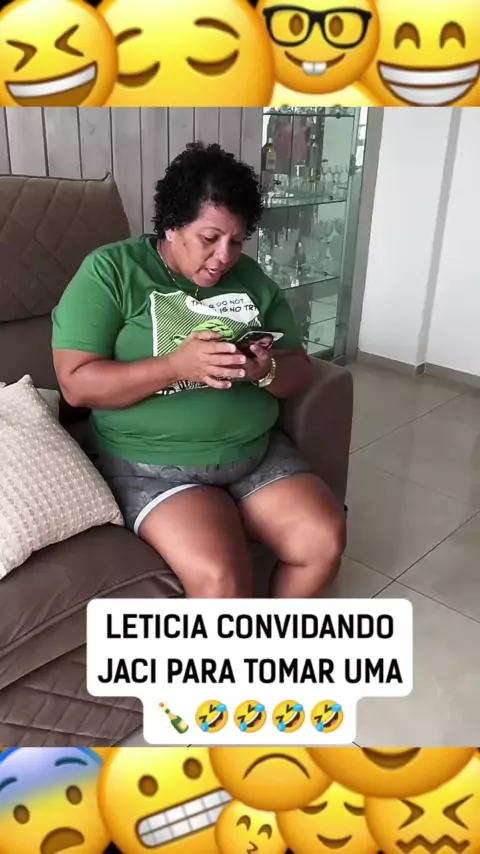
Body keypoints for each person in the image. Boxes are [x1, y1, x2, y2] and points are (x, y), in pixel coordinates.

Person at [52, 143, 346, 599]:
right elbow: (75, 384)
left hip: (253, 452)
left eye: (237, 241)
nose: (224, 256)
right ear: (172, 225)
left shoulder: (251, 279)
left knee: (323, 541)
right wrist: (175, 366)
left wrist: (262, 371)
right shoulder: (112, 271)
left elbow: (296, 370)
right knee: (221, 579)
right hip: (154, 465)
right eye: (210, 238)